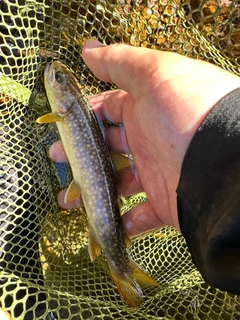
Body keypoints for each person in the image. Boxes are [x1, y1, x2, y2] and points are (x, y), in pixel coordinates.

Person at [49, 39, 240, 294]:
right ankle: (121, 267)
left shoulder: (69, 111)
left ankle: (121, 269)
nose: (53, 77)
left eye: (58, 79)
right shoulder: (73, 111)